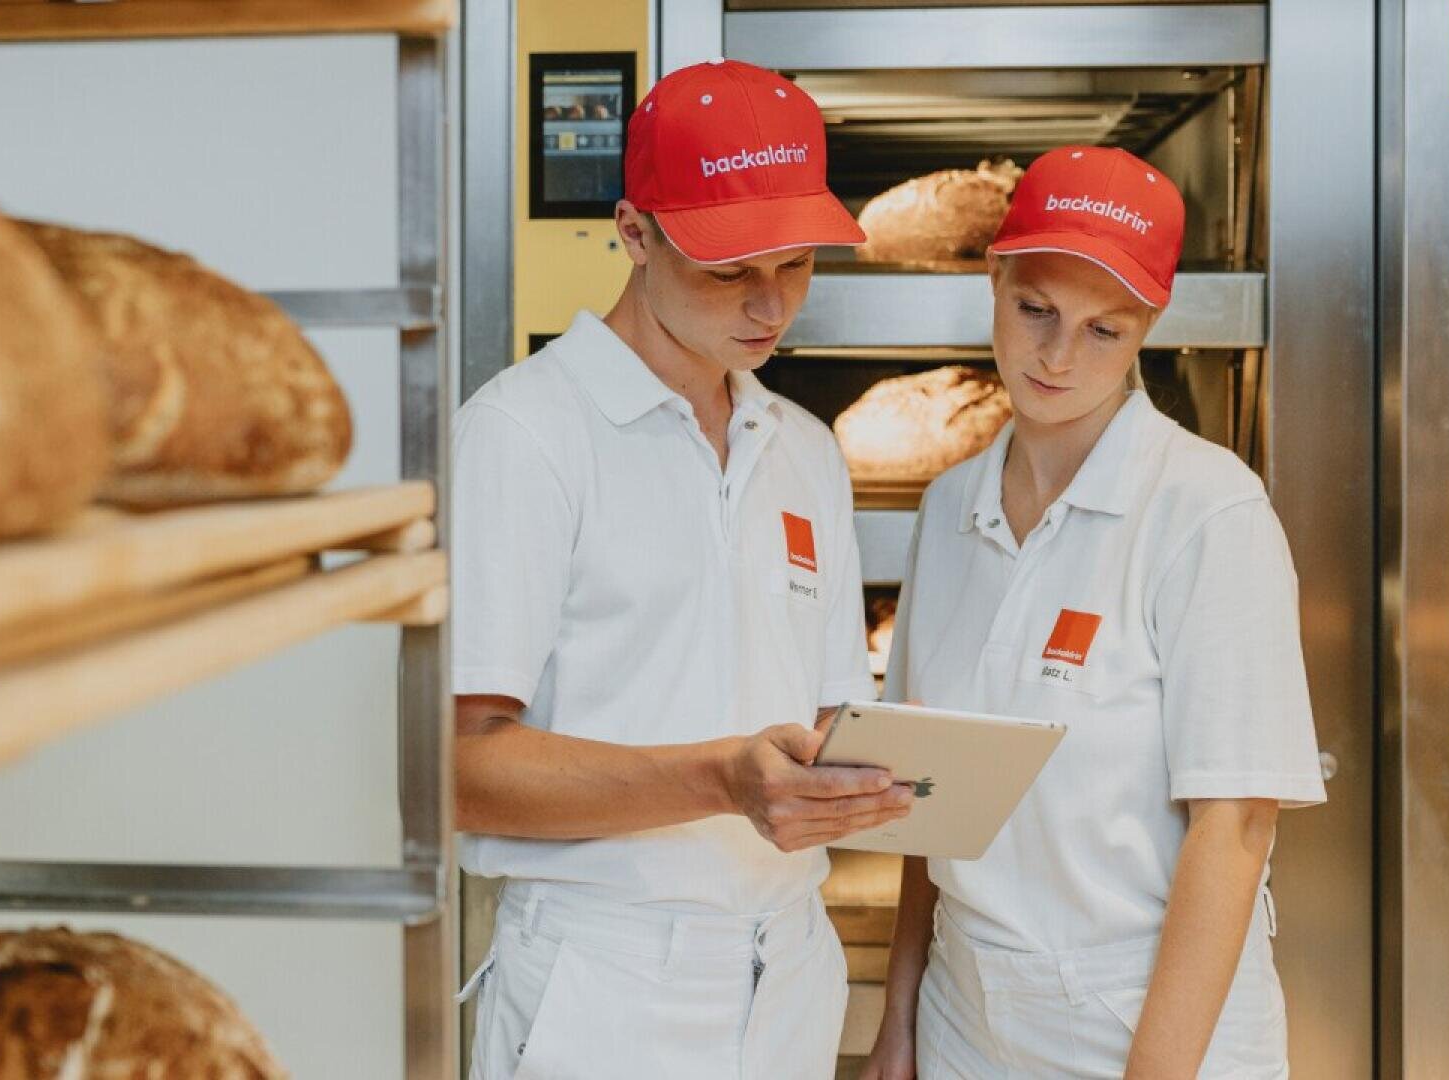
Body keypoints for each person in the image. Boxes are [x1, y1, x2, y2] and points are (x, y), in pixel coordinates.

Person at [452, 59, 916, 1079]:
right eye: (728, 270)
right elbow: (460, 767)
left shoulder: (803, 447)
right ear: (633, 233)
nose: (770, 307)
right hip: (605, 982)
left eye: (795, 266)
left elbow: (830, 711)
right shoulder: (526, 435)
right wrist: (718, 779)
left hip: (790, 966)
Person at [859, 146, 1327, 1080]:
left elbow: (1234, 825)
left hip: (1146, 1016)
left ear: (1149, 324)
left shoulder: (1205, 512)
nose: (1058, 355)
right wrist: (900, 1019)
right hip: (966, 1010)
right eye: (1035, 310)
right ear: (991, 278)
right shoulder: (950, 508)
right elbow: (927, 791)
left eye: (1104, 329)